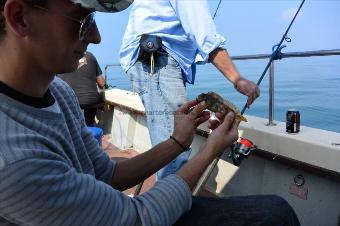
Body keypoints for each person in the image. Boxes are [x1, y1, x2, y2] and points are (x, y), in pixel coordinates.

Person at [0, 0, 300, 225]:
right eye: (81, 19)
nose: (96, 37)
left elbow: (106, 174)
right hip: (155, 59)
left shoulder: (60, 93)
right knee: (276, 213)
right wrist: (211, 149)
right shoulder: (14, 160)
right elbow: (140, 218)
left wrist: (178, 142)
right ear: (19, 18)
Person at [120, 0, 261, 180]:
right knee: (173, 144)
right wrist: (237, 79)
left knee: (167, 138)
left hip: (148, 59)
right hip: (157, 61)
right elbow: (205, 36)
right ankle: (170, 205)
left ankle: (166, 198)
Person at [59, 51, 105, 126]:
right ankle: (89, 125)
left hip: (68, 101)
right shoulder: (90, 55)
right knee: (93, 103)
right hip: (90, 101)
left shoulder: (60, 57)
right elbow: (102, 83)